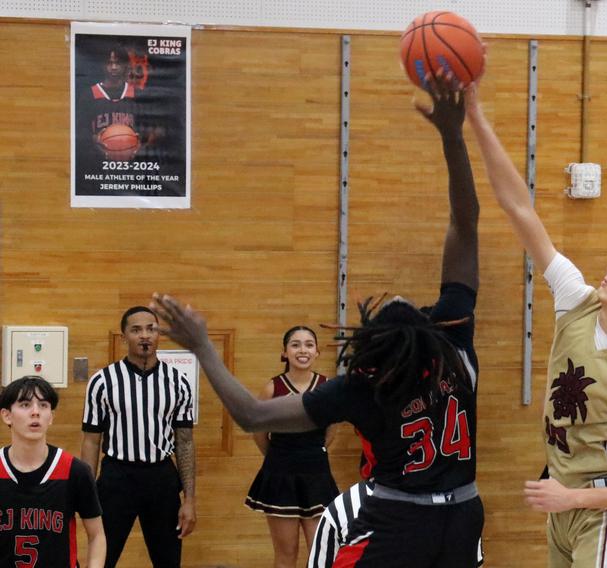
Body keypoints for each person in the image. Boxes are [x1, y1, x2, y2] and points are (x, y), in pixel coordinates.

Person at [153, 73, 482, 568]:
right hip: (462, 514)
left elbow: (252, 416)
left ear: (369, 350)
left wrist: (202, 347)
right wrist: (453, 135)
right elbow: (465, 220)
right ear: (425, 329)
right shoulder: (453, 344)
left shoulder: (363, 386)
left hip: (396, 519)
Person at [464, 84, 607, 568]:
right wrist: (476, 117)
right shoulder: (576, 298)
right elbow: (519, 208)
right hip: (564, 500)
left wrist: (574, 500)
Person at [81, 306, 196, 568]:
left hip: (161, 478)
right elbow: (91, 440)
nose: (144, 335)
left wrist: (190, 500)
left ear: (158, 335)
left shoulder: (178, 382)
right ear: (124, 337)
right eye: (136, 330)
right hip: (116, 478)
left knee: (167, 559)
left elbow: (185, 441)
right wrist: (86, 493)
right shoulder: (103, 381)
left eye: (151, 329)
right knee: (102, 558)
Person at [245, 325, 339, 567]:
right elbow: (258, 432)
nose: (302, 350)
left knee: (321, 554)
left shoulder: (327, 388)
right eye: (295, 344)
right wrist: (278, 457)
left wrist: (310, 452)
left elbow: (331, 430)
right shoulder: (271, 388)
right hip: (280, 476)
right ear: (285, 352)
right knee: (286, 554)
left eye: (309, 344)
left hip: (317, 475)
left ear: (317, 351)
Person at [1, 375, 105, 568]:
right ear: (7, 415)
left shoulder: (75, 471)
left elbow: (97, 535)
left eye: (43, 405)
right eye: (25, 405)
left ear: (51, 417)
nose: (35, 412)